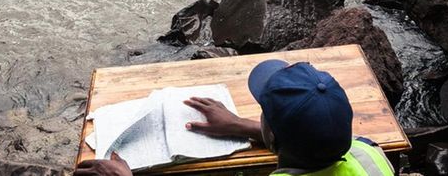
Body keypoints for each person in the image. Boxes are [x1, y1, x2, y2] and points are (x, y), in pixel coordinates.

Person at [75, 60, 396, 176]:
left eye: (263, 113)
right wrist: (243, 126)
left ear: (274, 136)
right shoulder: (369, 153)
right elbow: (310, 139)